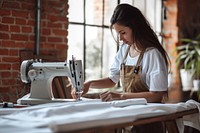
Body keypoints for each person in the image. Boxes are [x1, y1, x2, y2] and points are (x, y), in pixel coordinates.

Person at [72, 4, 170, 133]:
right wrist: (89, 84)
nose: (120, 38)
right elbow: (112, 80)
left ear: (136, 28)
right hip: (129, 117)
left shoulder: (152, 54)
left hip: (148, 121)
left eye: (123, 33)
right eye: (118, 33)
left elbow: (156, 96)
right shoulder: (124, 50)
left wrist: (121, 96)